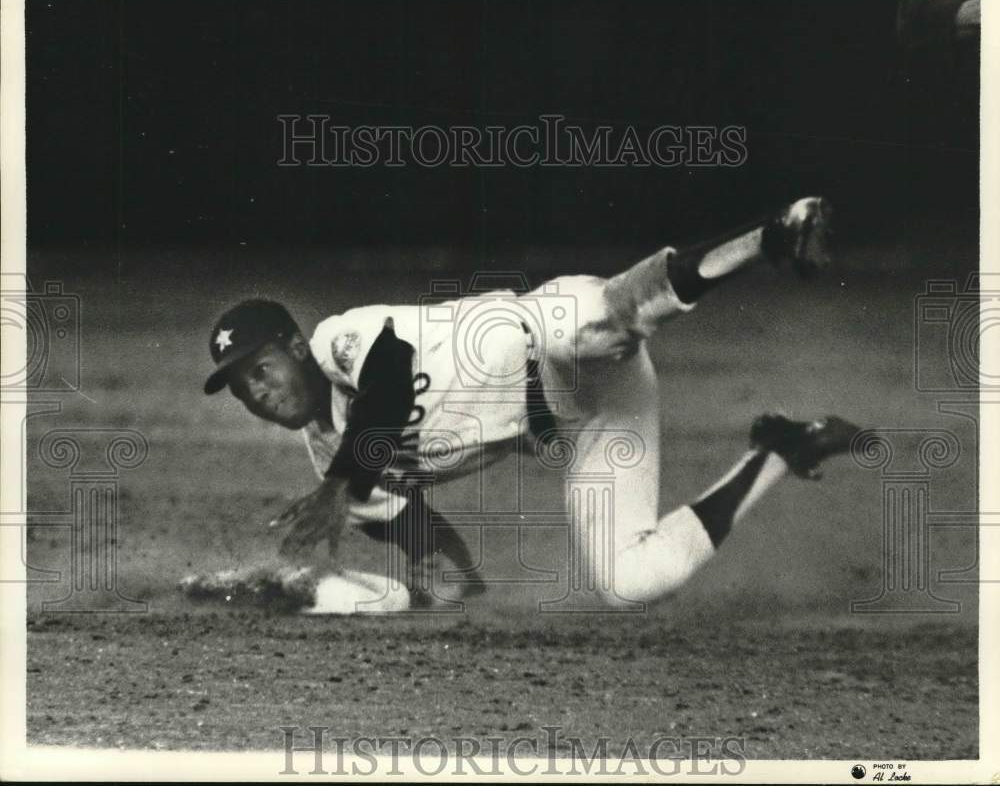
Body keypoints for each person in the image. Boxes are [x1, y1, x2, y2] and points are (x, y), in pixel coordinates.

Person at [199, 195, 859, 613]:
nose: (257, 391)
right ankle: (777, 452)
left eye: (260, 368)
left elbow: (392, 383)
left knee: (602, 321)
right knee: (630, 581)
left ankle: (771, 236)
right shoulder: (330, 465)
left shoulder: (342, 341)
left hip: (545, 334)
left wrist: (343, 484)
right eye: (240, 386)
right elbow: (450, 572)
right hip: (592, 419)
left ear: (292, 344)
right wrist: (349, 596)